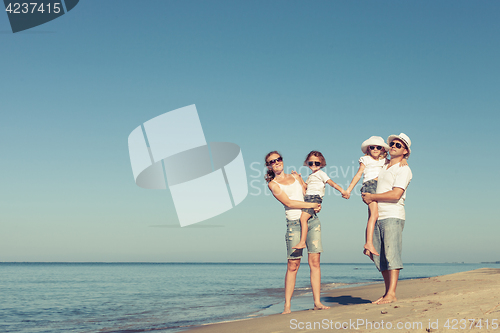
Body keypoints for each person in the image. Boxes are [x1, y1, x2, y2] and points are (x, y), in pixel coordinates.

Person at [265, 151, 330, 314]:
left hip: (312, 221)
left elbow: (309, 192)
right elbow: (288, 202)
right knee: (293, 265)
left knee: (315, 262)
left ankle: (317, 302)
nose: (276, 162)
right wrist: (310, 205)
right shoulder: (273, 184)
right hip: (294, 224)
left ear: (282, 160)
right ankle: (287, 306)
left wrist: (316, 204)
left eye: (278, 159)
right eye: (272, 161)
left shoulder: (295, 177)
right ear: (269, 166)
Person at [362, 133, 412, 305]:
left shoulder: (404, 169)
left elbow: (396, 194)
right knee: (377, 255)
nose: (393, 146)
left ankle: (391, 293)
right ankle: (387, 293)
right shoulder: (384, 166)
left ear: (405, 151)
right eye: (392, 144)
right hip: (377, 216)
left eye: (398, 145)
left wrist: (372, 196)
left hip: (393, 215)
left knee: (391, 254)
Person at [344, 136, 407, 258]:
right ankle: (368, 243)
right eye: (372, 147)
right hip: (370, 186)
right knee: (374, 215)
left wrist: (404, 160)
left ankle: (368, 246)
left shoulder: (385, 161)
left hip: (379, 187)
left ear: (383, 150)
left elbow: (396, 162)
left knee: (373, 216)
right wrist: (348, 190)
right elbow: (358, 175)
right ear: (368, 149)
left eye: (378, 147)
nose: (375, 149)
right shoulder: (365, 159)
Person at [292, 151, 346, 250]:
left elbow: (331, 183)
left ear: (321, 164)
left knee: (303, 219)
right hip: (308, 198)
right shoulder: (311, 176)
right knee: (305, 219)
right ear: (307, 163)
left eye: (316, 163)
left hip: (314, 198)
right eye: (310, 163)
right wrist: (298, 178)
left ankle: (302, 242)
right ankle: (303, 241)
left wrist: (342, 191)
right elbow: (305, 187)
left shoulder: (321, 174)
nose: (313, 165)